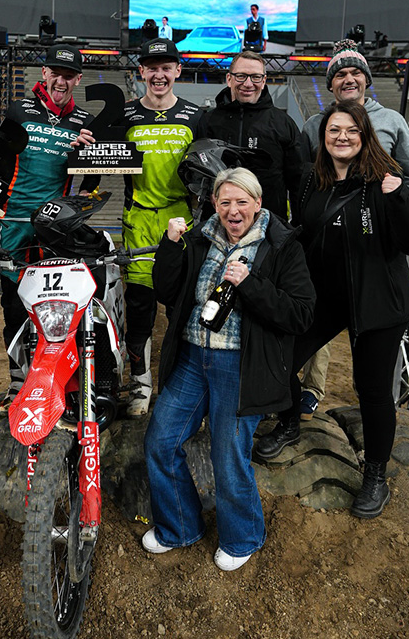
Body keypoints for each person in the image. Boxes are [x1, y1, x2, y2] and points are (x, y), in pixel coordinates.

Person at [255, 101, 409, 518]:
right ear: (323, 136)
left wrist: (400, 197)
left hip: (378, 302)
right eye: (334, 130)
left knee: (371, 390)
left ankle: (375, 475)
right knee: (280, 357)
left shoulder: (385, 179)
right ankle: (290, 422)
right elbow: (304, 234)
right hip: (326, 297)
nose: (342, 137)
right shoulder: (311, 180)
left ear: (364, 136)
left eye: (352, 130)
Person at [144, 167, 314, 570]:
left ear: (258, 203)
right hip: (192, 359)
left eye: (242, 202)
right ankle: (179, 526)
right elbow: (166, 291)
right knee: (160, 442)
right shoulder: (200, 238)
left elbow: (300, 314)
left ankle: (243, 537)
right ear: (214, 204)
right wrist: (170, 246)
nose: (233, 211)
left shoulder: (281, 246)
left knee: (228, 456)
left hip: (240, 365)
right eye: (225, 202)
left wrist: (251, 284)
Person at [299, 39, 409, 417]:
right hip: (329, 256)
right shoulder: (315, 126)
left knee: (373, 375)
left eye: (355, 73)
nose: (348, 79)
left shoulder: (391, 121)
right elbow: (304, 181)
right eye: (340, 75)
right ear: (331, 84)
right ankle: (298, 405)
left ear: (366, 80)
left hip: (377, 254)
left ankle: (381, 420)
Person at [0, 44, 94, 410]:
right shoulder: (18, 110)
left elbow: (91, 180)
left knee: (57, 307)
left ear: (78, 80)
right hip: (14, 222)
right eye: (55, 73)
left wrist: (85, 156)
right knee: (14, 304)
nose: (61, 81)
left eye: (68, 75)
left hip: (56, 227)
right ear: (44, 74)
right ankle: (17, 379)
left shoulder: (84, 120)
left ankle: (56, 378)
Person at [117, 38, 206, 417]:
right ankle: (140, 386)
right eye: (152, 68)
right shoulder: (124, 114)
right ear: (141, 71)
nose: (159, 74)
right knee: (139, 311)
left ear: (177, 71)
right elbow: (99, 157)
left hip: (180, 222)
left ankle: (175, 386)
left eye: (166, 67)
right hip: (138, 220)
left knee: (179, 310)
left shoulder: (195, 116)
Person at [203, 50, 302, 219]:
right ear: (229, 79)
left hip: (269, 224)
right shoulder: (208, 121)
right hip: (220, 223)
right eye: (241, 76)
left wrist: (296, 225)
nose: (248, 84)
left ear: (264, 81)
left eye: (255, 77)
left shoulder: (283, 124)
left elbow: (297, 182)